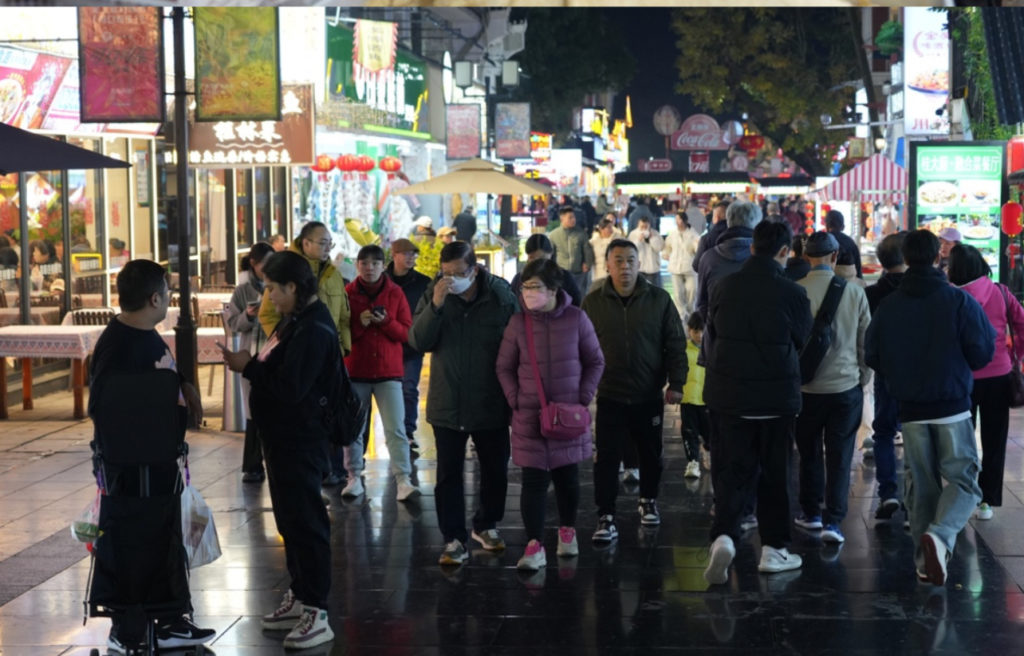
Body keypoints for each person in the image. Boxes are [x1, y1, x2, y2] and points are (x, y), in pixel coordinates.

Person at [88, 259, 215, 652]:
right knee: (134, 542)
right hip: (133, 468)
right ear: (154, 297)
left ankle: (170, 620)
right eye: (169, 293)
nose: (171, 300)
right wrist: (168, 392)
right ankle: (128, 628)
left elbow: (160, 381)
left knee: (163, 538)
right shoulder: (118, 343)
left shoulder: (145, 334)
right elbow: (107, 406)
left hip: (159, 462)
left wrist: (182, 386)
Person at [865, 229, 994, 587]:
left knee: (921, 487)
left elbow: (872, 354)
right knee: (965, 481)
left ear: (905, 259)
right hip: (953, 404)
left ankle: (925, 565)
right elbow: (982, 352)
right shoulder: (958, 302)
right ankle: (940, 534)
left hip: (910, 409)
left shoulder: (890, 306)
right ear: (939, 255)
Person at [222, 251, 337, 649]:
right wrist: (254, 364)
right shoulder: (295, 322)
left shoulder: (314, 328)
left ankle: (317, 609)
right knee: (290, 521)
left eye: (272, 288)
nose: (268, 295)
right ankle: (300, 594)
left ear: (292, 287)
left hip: (300, 439)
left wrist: (248, 367)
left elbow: (291, 387)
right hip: (282, 438)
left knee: (306, 522)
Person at [702, 221, 813, 584]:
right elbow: (801, 339)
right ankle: (774, 549)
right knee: (776, 475)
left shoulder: (723, 285)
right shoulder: (793, 294)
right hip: (775, 399)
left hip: (728, 396)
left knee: (731, 472)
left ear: (752, 248)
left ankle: (723, 536)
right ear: (784, 253)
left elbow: (711, 334)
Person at [409, 241, 518, 565]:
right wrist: (437, 306)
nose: (452, 279)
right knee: (448, 475)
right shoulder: (435, 294)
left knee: (496, 470)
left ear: (475, 270)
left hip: (490, 399)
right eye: (446, 273)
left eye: (459, 273)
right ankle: (453, 537)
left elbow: (517, 343)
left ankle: (486, 524)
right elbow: (418, 341)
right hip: (449, 400)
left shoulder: (499, 296)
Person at [496, 258, 605, 570]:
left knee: (567, 476)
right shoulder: (518, 323)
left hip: (568, 415)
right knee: (532, 480)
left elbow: (596, 360)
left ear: (554, 289)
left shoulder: (576, 319)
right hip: (529, 416)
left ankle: (567, 531)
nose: (529, 293)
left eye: (535, 287)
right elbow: (503, 366)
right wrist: (515, 398)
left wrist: (583, 397)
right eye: (525, 287)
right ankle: (534, 545)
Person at [581, 238, 687, 543]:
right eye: (618, 261)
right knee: (607, 457)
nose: (625, 266)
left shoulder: (658, 299)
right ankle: (606, 515)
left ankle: (648, 500)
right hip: (610, 392)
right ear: (608, 265)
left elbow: (675, 343)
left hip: (648, 393)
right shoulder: (594, 301)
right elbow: (581, 346)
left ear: (640, 264)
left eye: (630, 260)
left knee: (651, 453)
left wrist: (676, 383)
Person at [792, 231, 871, 545]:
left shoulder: (795, 291)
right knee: (840, 455)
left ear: (805, 257)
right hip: (845, 387)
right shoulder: (854, 292)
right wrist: (863, 376)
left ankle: (810, 513)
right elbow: (865, 341)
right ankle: (833, 522)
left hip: (805, 390)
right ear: (835, 257)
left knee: (809, 452)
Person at [259, 221, 352, 487]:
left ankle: (333, 469)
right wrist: (284, 344)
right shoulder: (289, 271)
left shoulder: (333, 273)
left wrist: (342, 348)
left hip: (329, 360)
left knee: (332, 416)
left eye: (330, 243)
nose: (327, 248)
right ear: (306, 243)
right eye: (322, 242)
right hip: (302, 359)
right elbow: (267, 313)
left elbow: (343, 316)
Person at [947, 243, 1024, 522]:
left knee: (961, 440)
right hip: (999, 375)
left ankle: (963, 494)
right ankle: (987, 501)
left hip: (960, 377)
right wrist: (1016, 354)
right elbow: (1022, 323)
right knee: (995, 439)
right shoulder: (1001, 292)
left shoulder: (951, 297)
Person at [341, 245, 420, 501]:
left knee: (396, 428)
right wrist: (360, 324)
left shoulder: (395, 293)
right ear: (357, 265)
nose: (370, 268)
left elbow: (406, 333)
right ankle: (353, 477)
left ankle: (403, 480)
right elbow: (342, 336)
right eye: (364, 263)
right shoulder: (348, 294)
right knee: (354, 429)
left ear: (383, 265)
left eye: (375, 263)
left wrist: (385, 321)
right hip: (357, 371)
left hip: (389, 373)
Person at [863, 232, 907, 521]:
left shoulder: (872, 293)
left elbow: (869, 339)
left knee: (883, 432)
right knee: (917, 433)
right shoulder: (921, 291)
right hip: (919, 373)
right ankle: (915, 499)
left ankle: (888, 492)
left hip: (886, 372)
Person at [225, 241, 275, 483]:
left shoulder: (279, 286)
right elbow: (232, 323)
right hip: (250, 354)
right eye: (266, 264)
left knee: (276, 405)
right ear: (254, 265)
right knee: (253, 408)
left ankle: (274, 460)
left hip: (275, 352)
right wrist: (247, 315)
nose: (270, 268)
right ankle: (253, 465)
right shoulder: (242, 290)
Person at [386, 238, 431, 454]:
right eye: (406, 254)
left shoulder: (423, 283)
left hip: (411, 344)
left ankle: (407, 432)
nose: (411, 257)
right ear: (394, 255)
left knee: (409, 388)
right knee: (387, 391)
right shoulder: (382, 280)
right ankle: (393, 433)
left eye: (413, 254)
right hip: (386, 343)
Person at [696, 201, 761, 323]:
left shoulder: (709, 258)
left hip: (718, 335)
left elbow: (701, 303)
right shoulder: (764, 258)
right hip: (756, 335)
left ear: (728, 221)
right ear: (756, 224)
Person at [510, 234, 583, 307]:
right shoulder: (518, 280)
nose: (537, 263)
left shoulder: (564, 277)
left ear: (551, 254)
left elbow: (576, 303)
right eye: (532, 258)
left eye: (542, 258)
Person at [681, 312, 709, 480]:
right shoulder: (683, 349)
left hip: (708, 400)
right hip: (688, 399)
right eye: (695, 331)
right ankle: (693, 461)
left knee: (710, 433)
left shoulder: (713, 348)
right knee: (689, 433)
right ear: (689, 330)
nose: (699, 335)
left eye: (702, 331)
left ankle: (708, 451)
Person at [549, 205, 595, 292]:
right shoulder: (554, 235)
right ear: (562, 218)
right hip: (561, 273)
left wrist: (587, 264)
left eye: (574, 217)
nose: (573, 220)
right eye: (570, 217)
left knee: (578, 295)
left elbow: (587, 250)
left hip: (578, 273)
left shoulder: (581, 233)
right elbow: (551, 254)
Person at [663, 211, 700, 318]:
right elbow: (667, 247)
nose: (677, 222)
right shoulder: (673, 234)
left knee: (692, 291)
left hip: (689, 267)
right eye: (676, 220)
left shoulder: (693, 235)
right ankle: (681, 315)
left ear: (684, 221)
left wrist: (696, 246)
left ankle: (690, 313)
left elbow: (697, 250)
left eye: (679, 219)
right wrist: (666, 254)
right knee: (678, 293)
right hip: (675, 267)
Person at [692, 200, 730, 271]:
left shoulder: (707, 239)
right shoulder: (743, 235)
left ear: (716, 218)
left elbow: (696, 265)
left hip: (714, 279)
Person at [628, 216, 665, 288]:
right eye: (642, 226)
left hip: (653, 268)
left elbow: (659, 248)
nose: (644, 228)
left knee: (654, 290)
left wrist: (652, 238)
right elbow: (631, 250)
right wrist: (639, 240)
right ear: (638, 225)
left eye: (646, 226)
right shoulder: (633, 234)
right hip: (639, 268)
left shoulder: (655, 233)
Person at [824, 210, 862, 279]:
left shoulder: (823, 241)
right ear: (843, 226)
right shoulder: (850, 242)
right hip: (850, 283)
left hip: (826, 283)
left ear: (826, 225)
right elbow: (858, 270)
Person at [590, 218, 617, 282]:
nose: (611, 230)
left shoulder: (615, 240)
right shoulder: (593, 242)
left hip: (611, 271)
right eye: (609, 228)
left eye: (611, 227)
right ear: (601, 229)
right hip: (597, 272)